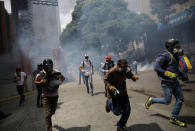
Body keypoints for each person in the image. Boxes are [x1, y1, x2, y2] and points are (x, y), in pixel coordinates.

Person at [145, 38, 187, 127]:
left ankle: (173, 118)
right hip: (166, 83)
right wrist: (167, 73)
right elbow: (156, 67)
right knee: (167, 101)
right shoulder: (165, 56)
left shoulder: (176, 56)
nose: (178, 48)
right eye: (176, 46)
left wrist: (182, 75)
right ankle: (152, 100)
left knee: (180, 99)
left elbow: (175, 69)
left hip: (175, 82)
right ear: (170, 47)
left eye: (178, 46)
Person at [104, 59, 138, 131]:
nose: (124, 68)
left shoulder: (125, 70)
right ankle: (109, 103)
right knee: (117, 112)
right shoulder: (111, 71)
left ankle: (120, 126)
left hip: (123, 92)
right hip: (114, 94)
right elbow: (106, 80)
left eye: (125, 67)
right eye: (123, 67)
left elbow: (130, 75)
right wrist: (110, 86)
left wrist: (133, 77)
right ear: (118, 66)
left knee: (127, 110)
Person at [34, 59, 65, 131]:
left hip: (55, 96)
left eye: (51, 66)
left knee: (52, 112)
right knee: (47, 114)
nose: (50, 67)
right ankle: (49, 129)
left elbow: (63, 78)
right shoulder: (41, 74)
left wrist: (59, 80)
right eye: (48, 66)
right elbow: (35, 81)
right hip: (45, 96)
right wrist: (41, 81)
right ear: (44, 66)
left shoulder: (56, 72)